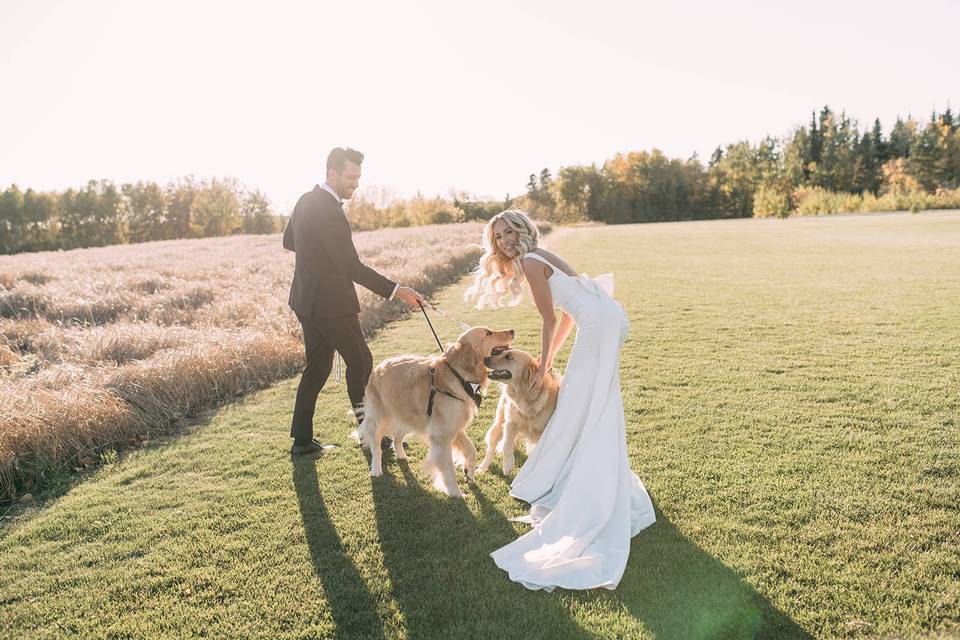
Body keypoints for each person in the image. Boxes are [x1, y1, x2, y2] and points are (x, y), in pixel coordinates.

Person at [465, 209, 656, 591]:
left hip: (601, 326)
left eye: (508, 232)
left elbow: (550, 320)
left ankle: (585, 484)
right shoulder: (542, 257)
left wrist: (543, 365)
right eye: (497, 237)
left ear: (522, 230)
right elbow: (568, 316)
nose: (504, 241)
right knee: (584, 405)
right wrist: (546, 361)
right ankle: (578, 472)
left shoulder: (534, 262)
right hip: (609, 319)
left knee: (583, 405)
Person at [283, 147, 424, 456]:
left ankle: (302, 441)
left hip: (305, 299)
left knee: (318, 367)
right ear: (331, 173)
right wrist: (399, 290)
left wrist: (316, 262)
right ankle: (371, 436)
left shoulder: (305, 200)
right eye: (350, 177)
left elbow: (289, 241)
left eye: (358, 177)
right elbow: (352, 267)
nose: (355, 184)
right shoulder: (329, 210)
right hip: (331, 303)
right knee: (360, 362)